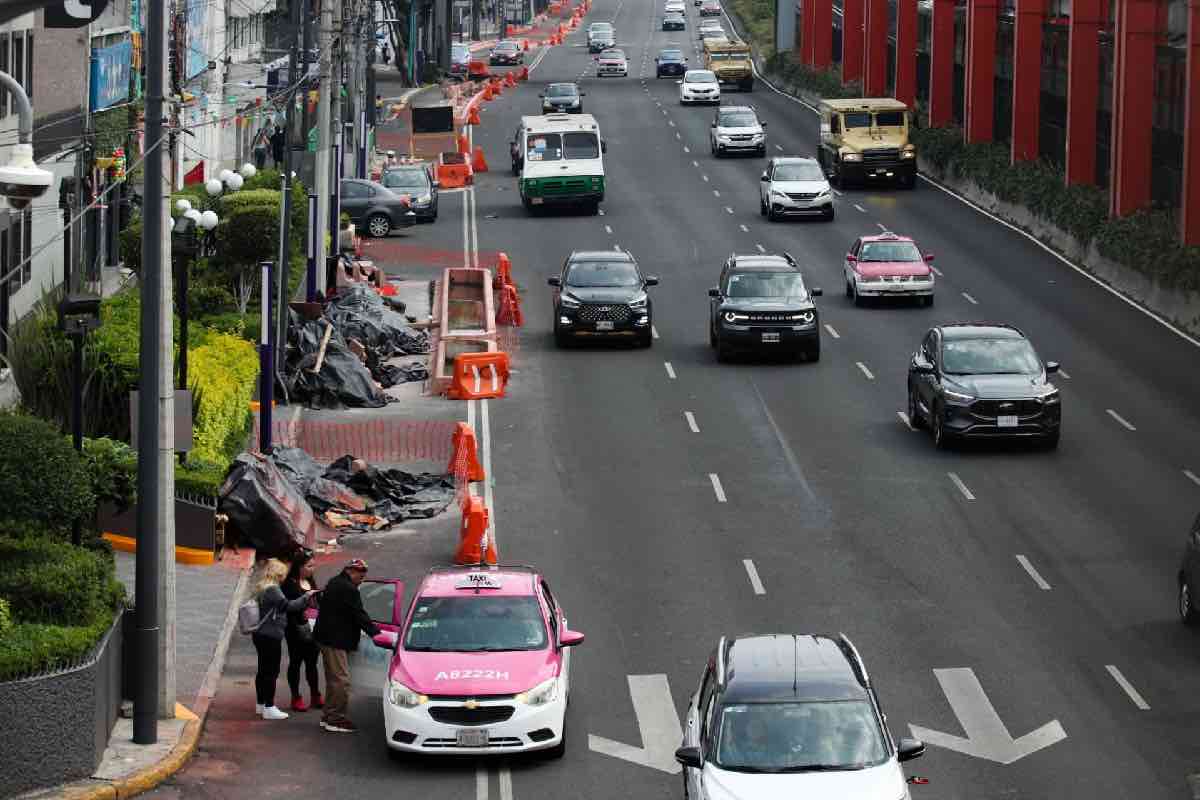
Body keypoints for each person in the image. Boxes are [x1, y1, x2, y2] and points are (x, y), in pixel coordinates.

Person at [313, 558, 381, 733]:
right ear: (350, 571)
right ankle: (336, 718)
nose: (363, 579)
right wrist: (376, 633)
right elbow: (358, 613)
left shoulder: (335, 582)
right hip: (335, 641)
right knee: (341, 681)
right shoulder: (348, 589)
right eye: (361, 574)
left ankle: (328, 715)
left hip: (326, 638)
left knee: (333, 679)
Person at [252, 558, 317, 720]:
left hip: (259, 633)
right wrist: (306, 597)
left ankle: (260, 704)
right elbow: (288, 606)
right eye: (282, 574)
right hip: (271, 635)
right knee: (271, 671)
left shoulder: (261, 586)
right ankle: (269, 707)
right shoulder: (273, 589)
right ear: (277, 574)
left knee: (262, 670)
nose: (284, 578)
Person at [282, 550, 322, 712]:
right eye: (309, 566)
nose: (312, 569)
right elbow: (288, 607)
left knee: (312, 663)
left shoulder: (311, 582)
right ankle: (296, 697)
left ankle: (315, 695)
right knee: (296, 663)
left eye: (313, 565)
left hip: (313, 629)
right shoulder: (289, 584)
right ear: (298, 567)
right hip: (295, 629)